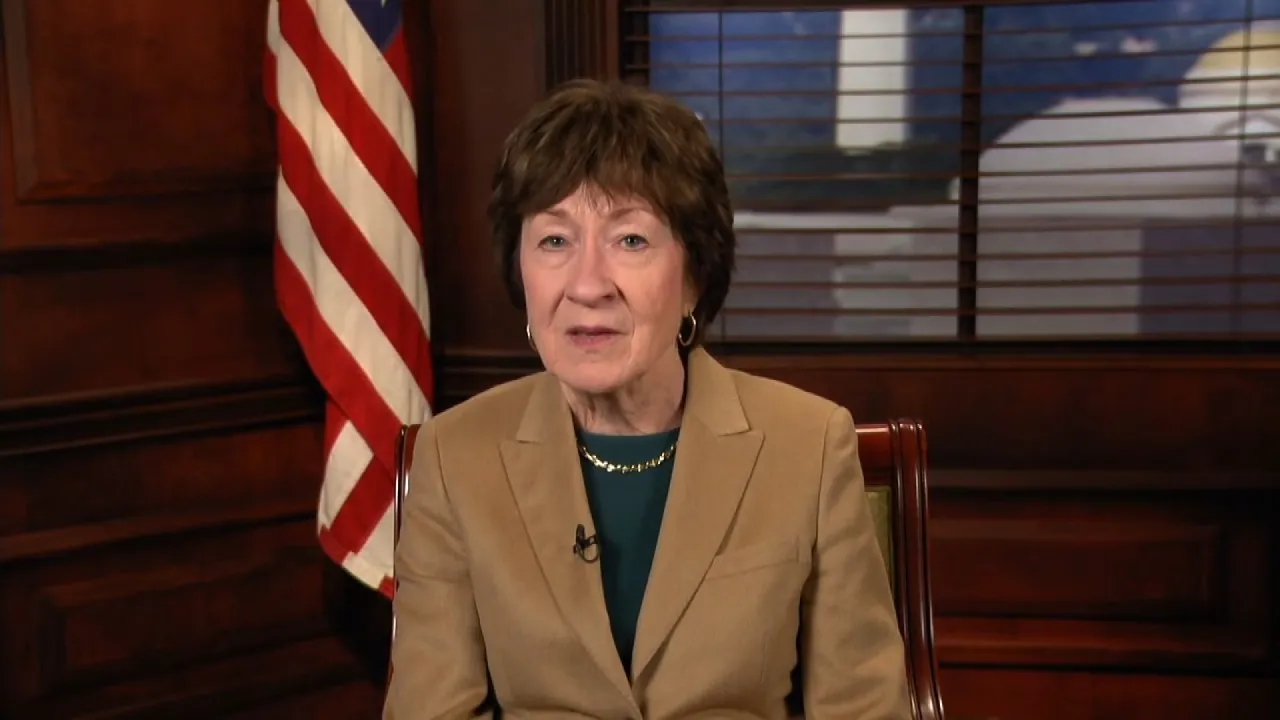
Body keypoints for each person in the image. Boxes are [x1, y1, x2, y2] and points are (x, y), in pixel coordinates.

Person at [386, 79, 911, 720]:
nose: (586, 285)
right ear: (519, 269)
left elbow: (862, 708)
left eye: (630, 240)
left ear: (694, 276)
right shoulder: (453, 455)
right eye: (554, 240)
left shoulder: (807, 442)